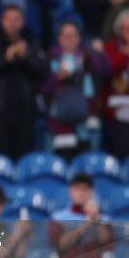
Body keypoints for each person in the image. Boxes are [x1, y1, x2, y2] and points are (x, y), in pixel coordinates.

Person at [0, 5, 48, 161]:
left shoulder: (31, 41)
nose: (13, 23)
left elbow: (41, 72)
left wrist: (25, 57)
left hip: (26, 111)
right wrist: (6, 58)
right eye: (9, 19)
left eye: (17, 19)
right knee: (1, 159)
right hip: (0, 112)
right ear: (2, 21)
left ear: (23, 22)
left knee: (25, 158)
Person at [42, 21, 110, 161]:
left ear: (79, 38)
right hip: (59, 118)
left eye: (73, 35)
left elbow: (105, 73)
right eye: (66, 36)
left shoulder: (88, 57)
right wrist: (57, 77)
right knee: (63, 159)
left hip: (86, 117)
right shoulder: (50, 58)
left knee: (87, 159)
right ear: (59, 38)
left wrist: (100, 54)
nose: (69, 39)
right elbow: (42, 88)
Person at [103, 10, 129, 159]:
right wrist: (126, 54)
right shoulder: (111, 47)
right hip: (117, 112)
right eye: (126, 28)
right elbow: (108, 70)